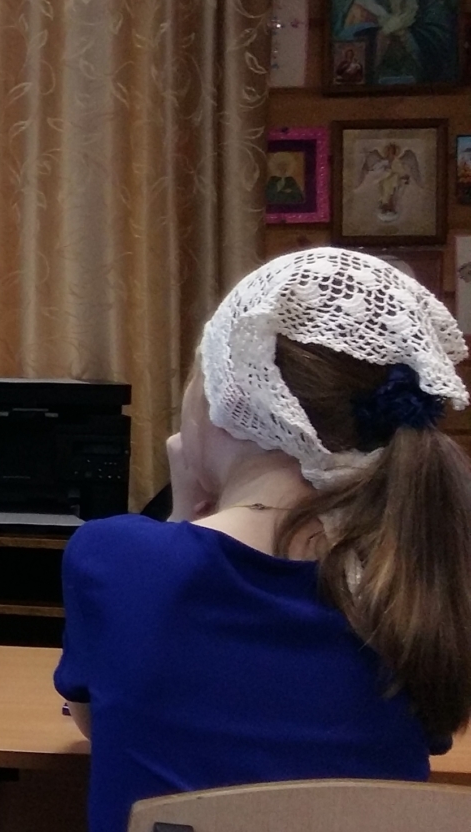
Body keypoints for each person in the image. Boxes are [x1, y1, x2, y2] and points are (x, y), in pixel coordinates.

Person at [54, 247, 471, 832]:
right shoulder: (412, 578)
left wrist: (182, 516)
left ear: (228, 402)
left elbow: (101, 720)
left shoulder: (116, 558)